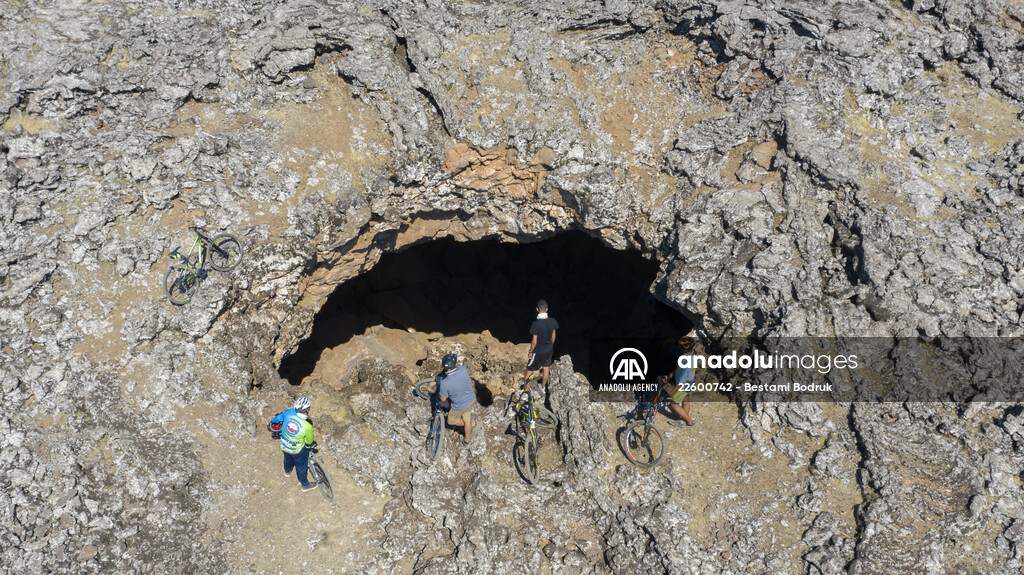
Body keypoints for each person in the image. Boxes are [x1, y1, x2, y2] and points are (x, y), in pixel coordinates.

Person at [269, 397, 318, 491]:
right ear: (308, 409)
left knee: (287, 458)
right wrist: (310, 445)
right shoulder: (307, 425)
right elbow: (309, 442)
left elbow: (276, 419)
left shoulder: (289, 412)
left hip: (284, 444)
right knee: (301, 467)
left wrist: (273, 419)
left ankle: (287, 471)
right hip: (297, 450)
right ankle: (305, 485)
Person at [437, 352, 477, 445]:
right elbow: (458, 367)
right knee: (467, 419)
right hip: (471, 399)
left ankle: (470, 424)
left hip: (459, 406)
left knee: (451, 420)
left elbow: (443, 399)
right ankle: (467, 440)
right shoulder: (462, 370)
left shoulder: (444, 383)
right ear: (455, 364)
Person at [661, 335, 696, 427]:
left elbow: (681, 383)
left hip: (684, 385)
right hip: (690, 382)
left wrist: (670, 395)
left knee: (674, 404)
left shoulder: (687, 361)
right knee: (685, 399)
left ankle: (689, 421)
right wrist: (670, 376)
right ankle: (683, 421)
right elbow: (678, 367)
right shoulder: (691, 355)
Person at [525, 299, 559, 390]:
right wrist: (550, 345)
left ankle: (525, 389)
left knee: (529, 370)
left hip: (538, 351)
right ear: (547, 309)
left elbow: (534, 341)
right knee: (546, 368)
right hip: (549, 349)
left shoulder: (536, 324)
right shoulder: (553, 321)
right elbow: (553, 335)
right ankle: (543, 388)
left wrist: (531, 352)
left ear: (537, 309)